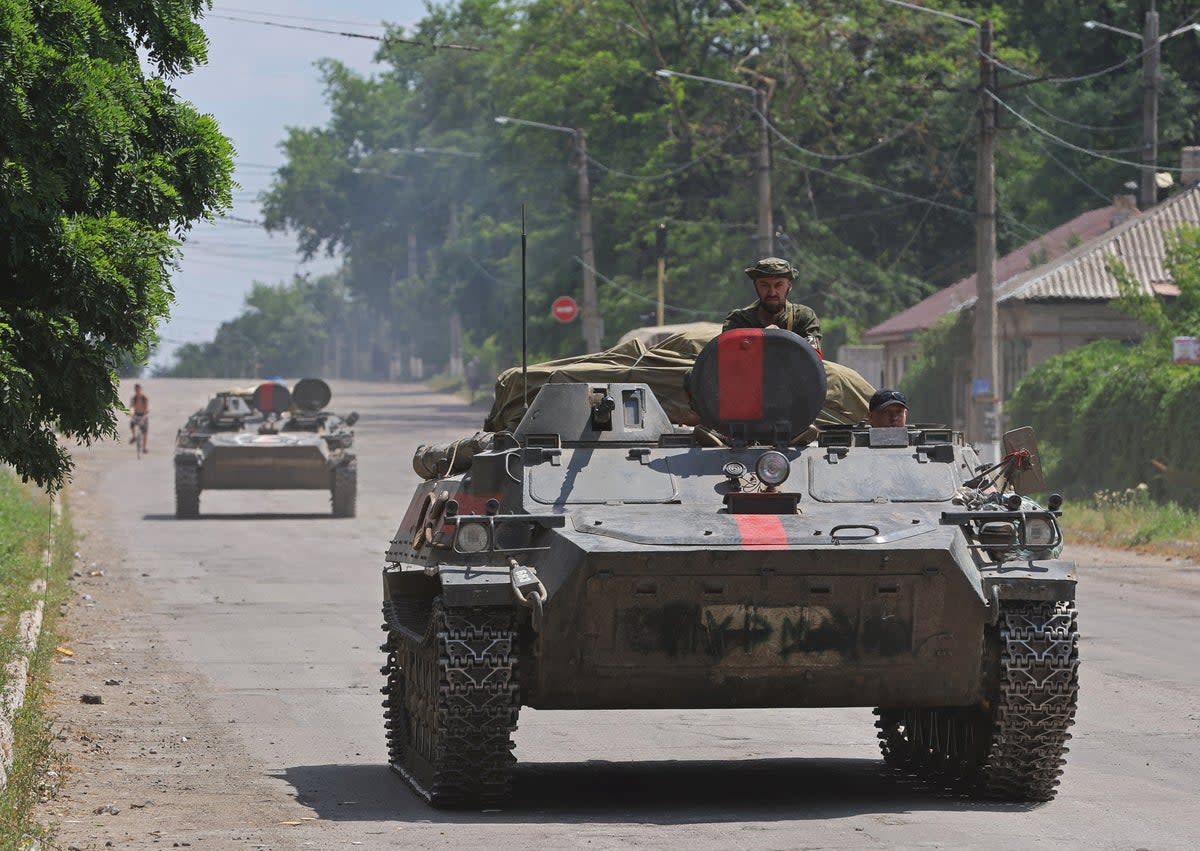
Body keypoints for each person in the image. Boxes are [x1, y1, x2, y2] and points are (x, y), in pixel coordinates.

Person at [722, 257, 822, 352]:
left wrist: (781, 339)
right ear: (756, 286)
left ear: (789, 286)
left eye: (779, 285)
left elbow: (813, 358)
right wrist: (760, 340)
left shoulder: (803, 317)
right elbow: (727, 358)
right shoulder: (738, 320)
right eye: (764, 285)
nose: (772, 293)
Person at [129, 383, 150, 450]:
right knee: (132, 424)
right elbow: (132, 408)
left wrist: (145, 414)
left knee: (145, 432)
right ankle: (134, 436)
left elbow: (146, 408)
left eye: (138, 389)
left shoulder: (144, 398)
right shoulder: (133, 398)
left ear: (141, 389)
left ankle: (144, 448)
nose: (137, 390)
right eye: (136, 389)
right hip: (136, 415)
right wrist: (131, 414)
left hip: (143, 415)